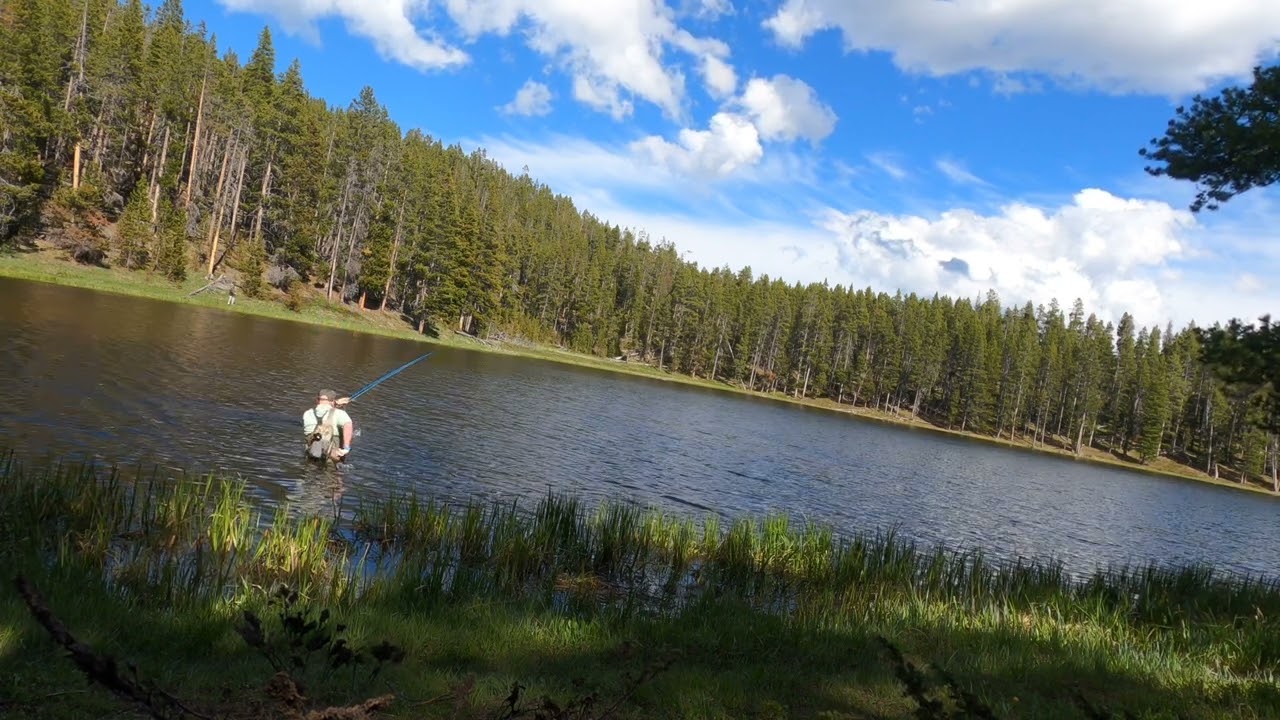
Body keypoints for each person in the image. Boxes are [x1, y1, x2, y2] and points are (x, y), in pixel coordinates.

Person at [303, 389, 354, 463]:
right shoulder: (339, 413)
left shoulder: (307, 413)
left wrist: (335, 404)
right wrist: (346, 448)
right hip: (331, 458)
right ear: (332, 401)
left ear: (317, 400)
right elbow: (348, 425)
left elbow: (324, 412)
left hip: (312, 454)